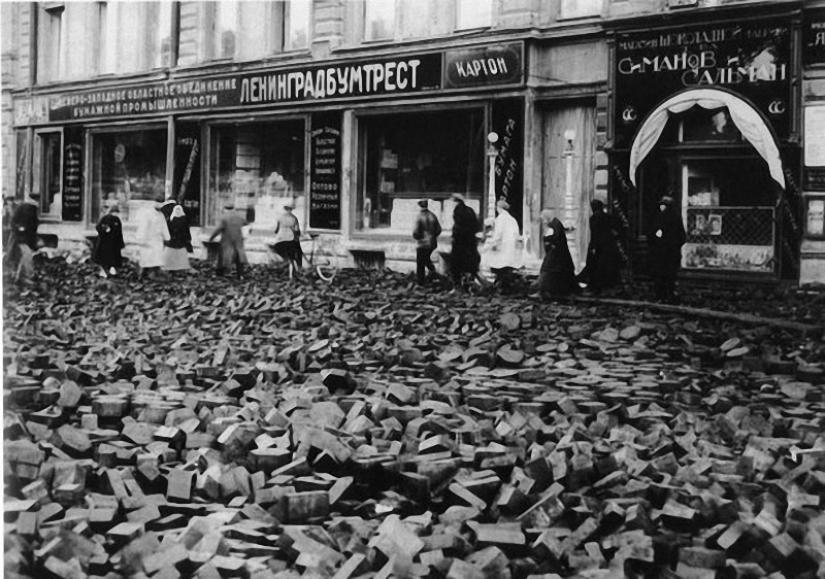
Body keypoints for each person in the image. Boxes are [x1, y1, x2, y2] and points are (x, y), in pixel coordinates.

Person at [577, 198, 622, 295]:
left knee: (596, 266)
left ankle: (594, 286)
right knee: (607, 266)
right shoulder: (608, 217)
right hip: (609, 245)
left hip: (599, 245)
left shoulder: (593, 218)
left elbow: (595, 234)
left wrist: (592, 246)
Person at [648, 195, 686, 303]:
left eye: (664, 205)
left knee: (662, 275)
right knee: (669, 276)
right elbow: (682, 237)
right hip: (670, 253)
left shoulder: (659, 219)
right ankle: (668, 295)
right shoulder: (675, 218)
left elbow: (652, 235)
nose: (662, 207)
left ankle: (662, 296)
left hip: (662, 253)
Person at [483, 198, 523, 291]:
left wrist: (492, 243)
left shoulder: (500, 219)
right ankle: (504, 283)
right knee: (507, 265)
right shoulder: (512, 219)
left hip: (502, 247)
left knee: (498, 264)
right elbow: (517, 234)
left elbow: (498, 234)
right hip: (510, 247)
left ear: (498, 208)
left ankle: (500, 283)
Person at [538, 209, 578, 299]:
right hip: (559, 253)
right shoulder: (556, 223)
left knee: (550, 271)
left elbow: (555, 239)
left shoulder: (554, 225)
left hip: (557, 255)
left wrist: (548, 241)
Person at [449, 193, 485, 288]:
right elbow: (476, 226)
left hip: (460, 243)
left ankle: (458, 285)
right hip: (471, 243)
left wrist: (454, 235)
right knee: (469, 265)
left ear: (455, 202)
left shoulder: (458, 211)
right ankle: (470, 282)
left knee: (457, 265)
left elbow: (458, 227)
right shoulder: (470, 210)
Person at [135, 195, 170, 280]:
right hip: (148, 239)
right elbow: (143, 226)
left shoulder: (161, 215)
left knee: (157, 258)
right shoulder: (148, 214)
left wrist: (167, 237)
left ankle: (154, 273)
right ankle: (142, 274)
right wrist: (141, 237)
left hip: (157, 239)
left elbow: (164, 226)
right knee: (147, 258)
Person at [209, 201, 248, 279]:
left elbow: (218, 229)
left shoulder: (224, 218)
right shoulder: (239, 217)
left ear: (224, 209)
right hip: (238, 240)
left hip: (227, 240)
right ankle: (240, 274)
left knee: (223, 257)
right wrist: (244, 236)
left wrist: (211, 238)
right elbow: (247, 225)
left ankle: (219, 273)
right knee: (238, 257)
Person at [10, 194, 40, 284]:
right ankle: (30, 275)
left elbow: (14, 221)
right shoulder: (27, 208)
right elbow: (14, 222)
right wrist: (19, 228)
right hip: (22, 237)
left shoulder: (30, 208)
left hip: (24, 237)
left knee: (24, 256)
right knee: (27, 255)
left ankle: (18, 277)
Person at [412, 198, 442, 285]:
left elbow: (416, 232)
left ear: (419, 205)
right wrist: (432, 236)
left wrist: (420, 237)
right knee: (426, 259)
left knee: (420, 263)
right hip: (432, 243)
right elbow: (439, 229)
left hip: (422, 243)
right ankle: (433, 273)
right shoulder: (433, 215)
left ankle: (421, 281)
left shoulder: (419, 217)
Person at [93, 202, 125, 278]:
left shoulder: (117, 220)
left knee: (113, 258)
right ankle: (104, 271)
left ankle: (112, 270)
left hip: (114, 243)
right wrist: (104, 230)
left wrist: (121, 243)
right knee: (105, 258)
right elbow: (98, 227)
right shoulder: (106, 218)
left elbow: (119, 232)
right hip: (105, 243)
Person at [273, 203, 302, 278]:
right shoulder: (294, 218)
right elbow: (297, 230)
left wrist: (276, 232)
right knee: (292, 257)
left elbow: (276, 229)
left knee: (281, 254)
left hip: (281, 239)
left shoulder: (280, 217)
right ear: (291, 209)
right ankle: (291, 274)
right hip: (290, 238)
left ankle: (284, 268)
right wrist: (298, 235)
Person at [163, 204, 193, 274]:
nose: (178, 211)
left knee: (180, 255)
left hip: (180, 241)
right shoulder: (171, 219)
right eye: (176, 210)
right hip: (174, 241)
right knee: (171, 255)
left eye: (179, 210)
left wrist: (187, 238)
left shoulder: (183, 220)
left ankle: (179, 268)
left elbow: (186, 230)